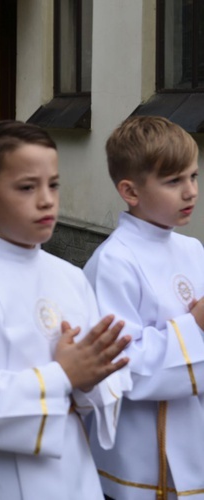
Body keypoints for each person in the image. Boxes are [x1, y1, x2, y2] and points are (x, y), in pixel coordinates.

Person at [0, 120, 133, 499]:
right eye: (27, 187)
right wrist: (63, 375)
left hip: (73, 473)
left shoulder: (71, 278)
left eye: (53, 184)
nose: (47, 199)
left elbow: (102, 385)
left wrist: (92, 380)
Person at [83, 116, 204, 500]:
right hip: (139, 453)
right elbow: (116, 364)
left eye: (193, 177)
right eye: (173, 181)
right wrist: (194, 327)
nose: (190, 192)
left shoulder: (192, 249)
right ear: (130, 191)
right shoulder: (113, 262)